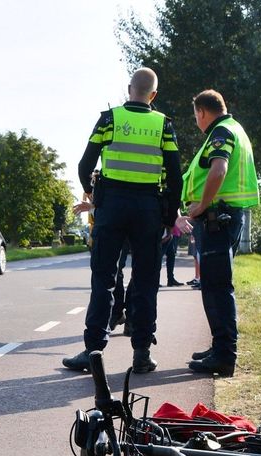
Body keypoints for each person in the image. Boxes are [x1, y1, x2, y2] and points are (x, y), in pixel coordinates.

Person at [62, 67, 183, 374]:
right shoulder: (163, 125)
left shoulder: (109, 119)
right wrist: (169, 217)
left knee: (103, 279)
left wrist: (93, 197)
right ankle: (141, 353)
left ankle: (93, 352)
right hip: (148, 209)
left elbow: (84, 164)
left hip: (112, 206)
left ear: (129, 89)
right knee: (145, 281)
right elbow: (175, 177)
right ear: (153, 95)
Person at [180, 89, 259, 377]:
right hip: (224, 219)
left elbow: (218, 169)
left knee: (216, 289)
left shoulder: (221, 132)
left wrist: (200, 204)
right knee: (215, 286)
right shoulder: (235, 128)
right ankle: (219, 347)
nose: (196, 122)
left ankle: (224, 355)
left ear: (202, 112)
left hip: (217, 219)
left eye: (195, 116)